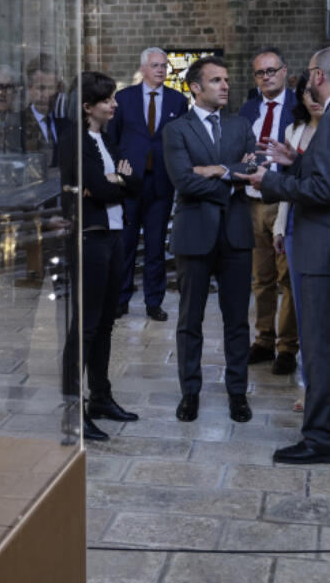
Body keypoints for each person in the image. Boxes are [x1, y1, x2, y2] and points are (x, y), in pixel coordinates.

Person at [250, 47, 330, 465]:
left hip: (326, 249)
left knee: (322, 348)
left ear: (319, 76)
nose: (307, 82)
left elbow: (325, 192)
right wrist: (298, 161)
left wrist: (271, 183)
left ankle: (322, 438)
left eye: (308, 73)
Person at [162, 56, 255, 423]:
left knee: (237, 321)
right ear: (195, 88)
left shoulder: (240, 124)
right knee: (190, 320)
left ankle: (237, 393)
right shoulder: (177, 130)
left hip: (235, 235)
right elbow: (183, 181)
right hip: (194, 235)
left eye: (226, 79)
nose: (225, 86)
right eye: (216, 80)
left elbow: (253, 170)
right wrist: (231, 178)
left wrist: (218, 171)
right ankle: (190, 393)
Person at [59, 71, 142, 441]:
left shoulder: (106, 139)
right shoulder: (76, 141)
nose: (114, 104)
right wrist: (113, 183)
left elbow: (132, 182)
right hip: (89, 239)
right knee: (86, 326)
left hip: (113, 236)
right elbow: (97, 188)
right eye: (108, 99)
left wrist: (116, 183)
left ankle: (101, 397)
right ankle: (72, 410)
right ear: (89, 106)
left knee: (107, 322)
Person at [108, 47, 188, 322]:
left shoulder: (178, 101)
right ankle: (120, 299)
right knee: (126, 245)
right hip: (130, 184)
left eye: (164, 66)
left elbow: (180, 142)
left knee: (155, 247)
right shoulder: (123, 98)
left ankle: (154, 302)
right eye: (155, 65)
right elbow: (112, 139)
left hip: (161, 185)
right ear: (142, 69)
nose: (161, 70)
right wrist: (119, 169)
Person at [238, 48, 298, 376]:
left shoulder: (298, 107)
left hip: (283, 200)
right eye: (260, 73)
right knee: (260, 279)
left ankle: (287, 346)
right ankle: (263, 339)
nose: (266, 77)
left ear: (285, 71)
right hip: (252, 201)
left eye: (272, 70)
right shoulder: (248, 109)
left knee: (287, 278)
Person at [270, 72, 322, 412]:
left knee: (319, 311)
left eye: (318, 91)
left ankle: (319, 384)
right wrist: (278, 225)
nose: (313, 97)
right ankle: (305, 384)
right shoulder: (294, 131)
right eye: (306, 92)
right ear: (300, 97)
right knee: (300, 305)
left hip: (320, 226)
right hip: (293, 225)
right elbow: (286, 186)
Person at [22, 54, 68, 168]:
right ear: (29, 87)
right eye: (41, 88)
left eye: (51, 88)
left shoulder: (65, 123)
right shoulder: (18, 123)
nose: (46, 95)